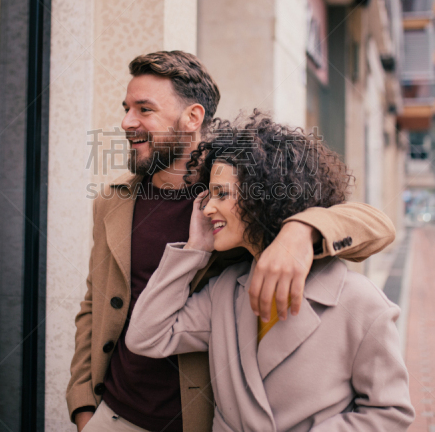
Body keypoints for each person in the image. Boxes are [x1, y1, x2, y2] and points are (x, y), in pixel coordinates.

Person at [67, 51, 396, 432]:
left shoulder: (236, 199)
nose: (126, 122)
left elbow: (377, 225)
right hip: (113, 412)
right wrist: (83, 405)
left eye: (144, 109)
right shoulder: (113, 201)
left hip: (198, 418)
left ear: (192, 118)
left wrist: (299, 231)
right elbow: (94, 304)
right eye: (126, 108)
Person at [125, 113, 414, 431]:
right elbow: (146, 337)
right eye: (209, 196)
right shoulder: (225, 290)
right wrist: (195, 249)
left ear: (262, 195)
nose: (207, 208)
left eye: (221, 194)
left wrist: (302, 230)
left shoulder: (359, 302)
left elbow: (390, 413)